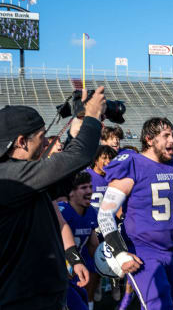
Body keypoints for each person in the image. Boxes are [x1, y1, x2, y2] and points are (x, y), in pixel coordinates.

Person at [0, 88, 105, 310]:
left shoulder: (19, 175)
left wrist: (77, 127)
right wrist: (93, 116)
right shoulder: (8, 175)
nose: (46, 143)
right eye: (41, 137)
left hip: (42, 295)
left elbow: (65, 176)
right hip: (24, 301)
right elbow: (79, 155)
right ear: (21, 141)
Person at [98, 117, 173, 310]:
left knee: (169, 304)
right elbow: (104, 214)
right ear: (149, 139)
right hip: (144, 252)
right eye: (166, 135)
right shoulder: (133, 163)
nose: (172, 140)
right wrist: (119, 253)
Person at [58, 171, 100, 308]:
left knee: (83, 300)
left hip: (75, 272)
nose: (89, 191)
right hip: (59, 274)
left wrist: (108, 264)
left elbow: (94, 245)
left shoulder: (91, 212)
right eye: (83, 188)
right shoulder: (62, 212)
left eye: (90, 187)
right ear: (71, 193)